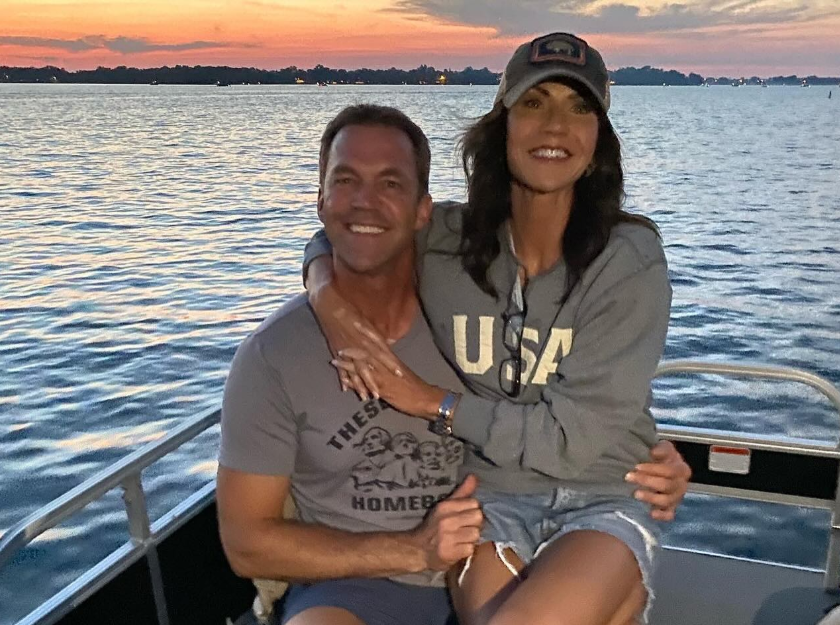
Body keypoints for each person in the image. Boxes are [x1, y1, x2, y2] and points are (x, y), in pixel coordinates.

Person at [219, 103, 688, 625]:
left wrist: (645, 451)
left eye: (391, 183)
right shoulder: (276, 354)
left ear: (423, 211)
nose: (366, 201)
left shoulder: (462, 306)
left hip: (512, 531)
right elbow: (246, 544)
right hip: (368, 579)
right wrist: (327, 298)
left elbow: (576, 415)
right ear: (321, 200)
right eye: (346, 180)